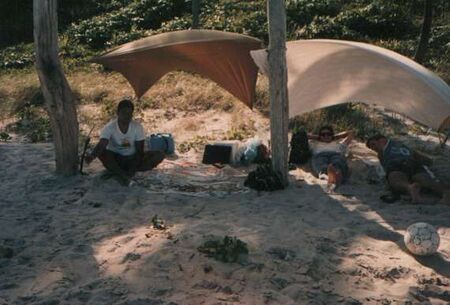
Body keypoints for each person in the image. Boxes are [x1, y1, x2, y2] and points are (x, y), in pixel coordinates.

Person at [85, 99, 165, 186]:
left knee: (159, 154)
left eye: (129, 113)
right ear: (118, 113)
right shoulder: (109, 127)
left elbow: (139, 151)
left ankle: (122, 173)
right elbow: (102, 144)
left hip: (132, 159)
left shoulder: (137, 127)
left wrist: (133, 168)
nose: (126, 116)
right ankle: (124, 175)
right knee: (102, 153)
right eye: (124, 112)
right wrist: (92, 156)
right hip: (116, 160)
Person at [366, 134, 450, 205]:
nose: (373, 148)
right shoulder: (402, 145)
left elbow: (387, 169)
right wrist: (429, 162)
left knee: (395, 178)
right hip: (412, 162)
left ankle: (410, 187)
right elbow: (418, 156)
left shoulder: (382, 153)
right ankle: (444, 192)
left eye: (373, 144)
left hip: (396, 163)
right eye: (371, 148)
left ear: (382, 140)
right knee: (423, 178)